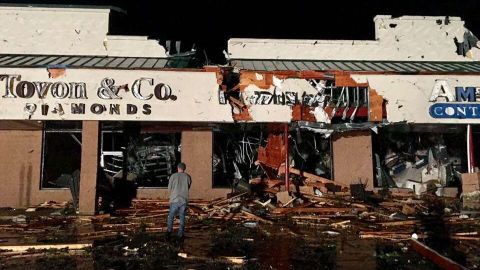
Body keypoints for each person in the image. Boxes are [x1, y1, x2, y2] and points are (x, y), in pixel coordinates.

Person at [166, 162, 192, 240]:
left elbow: (169, 188)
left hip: (174, 199)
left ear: (178, 168)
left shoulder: (173, 176)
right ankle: (180, 234)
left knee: (170, 216)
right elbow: (189, 186)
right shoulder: (188, 177)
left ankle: (169, 231)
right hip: (184, 200)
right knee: (182, 217)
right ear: (184, 169)